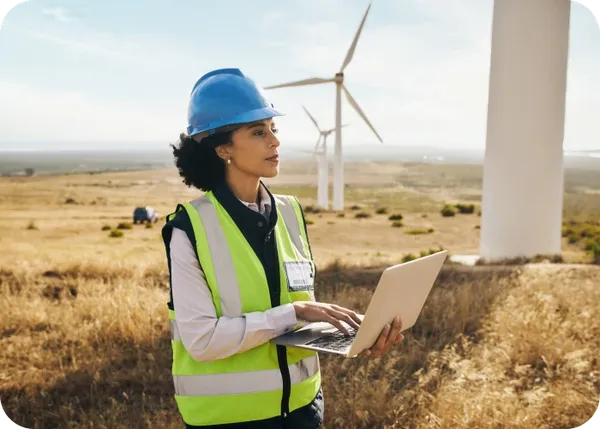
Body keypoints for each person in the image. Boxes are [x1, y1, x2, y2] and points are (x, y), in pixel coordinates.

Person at [161, 68, 404, 429]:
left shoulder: (291, 213)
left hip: (304, 410)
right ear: (223, 147)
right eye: (258, 132)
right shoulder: (189, 229)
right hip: (228, 421)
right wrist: (293, 313)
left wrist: (356, 336)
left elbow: (297, 316)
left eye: (274, 129)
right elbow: (202, 340)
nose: (275, 142)